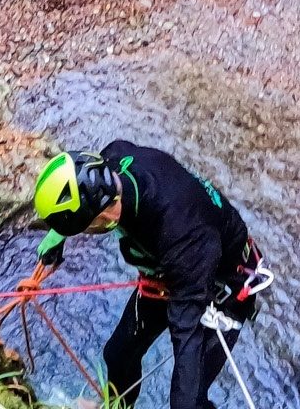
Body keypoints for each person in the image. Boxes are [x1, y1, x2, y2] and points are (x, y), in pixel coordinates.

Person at [30, 140, 270, 409]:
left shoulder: (184, 235)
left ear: (105, 216)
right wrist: (59, 233)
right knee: (119, 355)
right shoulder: (112, 160)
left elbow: (186, 331)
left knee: (190, 401)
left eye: (85, 229)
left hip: (222, 287)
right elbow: (86, 194)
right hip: (168, 270)